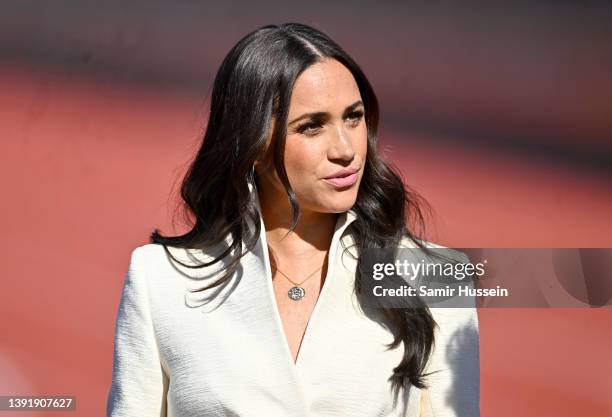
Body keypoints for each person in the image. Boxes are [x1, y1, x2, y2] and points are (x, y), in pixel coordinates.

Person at [106, 22, 480, 417]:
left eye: (353, 117)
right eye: (312, 126)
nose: (345, 148)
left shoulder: (436, 277)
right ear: (252, 143)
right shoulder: (160, 281)